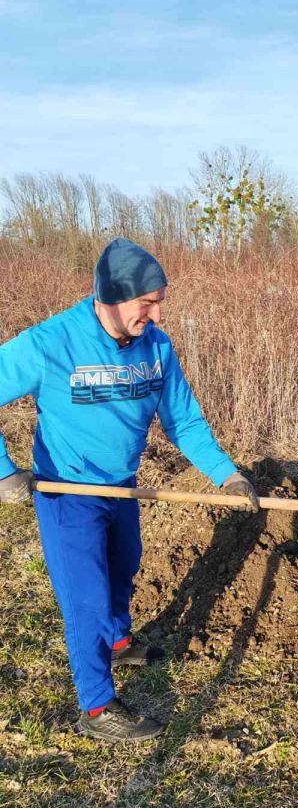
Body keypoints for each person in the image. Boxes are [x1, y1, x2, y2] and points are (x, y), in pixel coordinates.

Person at [0, 238, 259, 742]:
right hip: (66, 491)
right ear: (112, 297)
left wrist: (227, 475)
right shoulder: (51, 343)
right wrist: (3, 472)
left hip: (123, 486)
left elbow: (183, 421)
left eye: (160, 300)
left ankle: (120, 643)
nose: (157, 312)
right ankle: (97, 707)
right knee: (87, 600)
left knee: (125, 566)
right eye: (148, 302)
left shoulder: (156, 346)